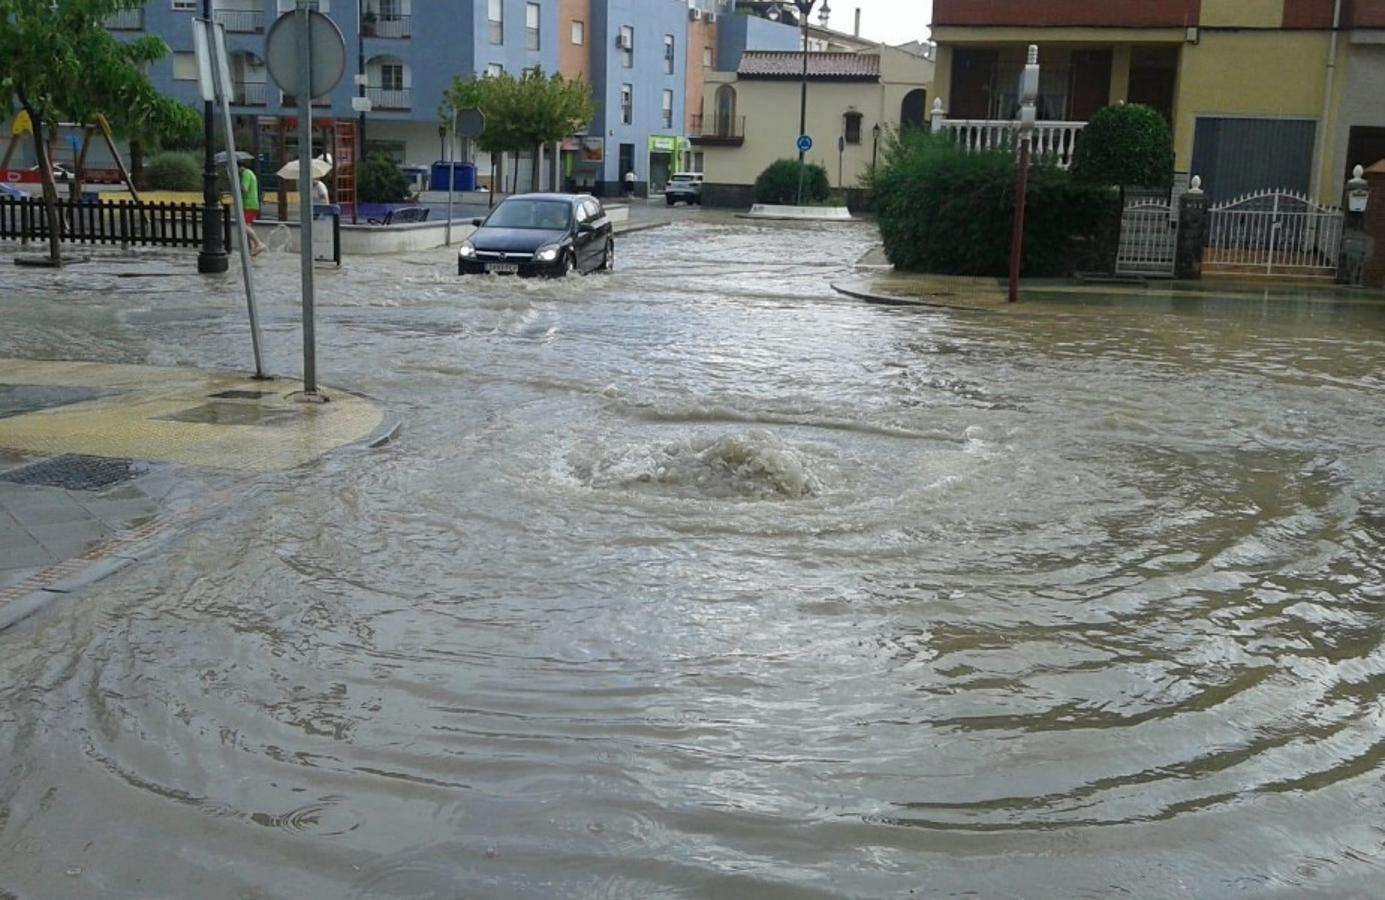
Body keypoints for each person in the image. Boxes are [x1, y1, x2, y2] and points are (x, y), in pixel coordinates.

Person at [238, 162, 264, 257]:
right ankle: (252, 249)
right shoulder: (251, 173)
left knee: (243, 226)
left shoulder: (245, 173)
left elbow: (244, 188)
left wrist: (236, 185)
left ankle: (258, 243)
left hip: (249, 204)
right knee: (247, 227)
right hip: (253, 203)